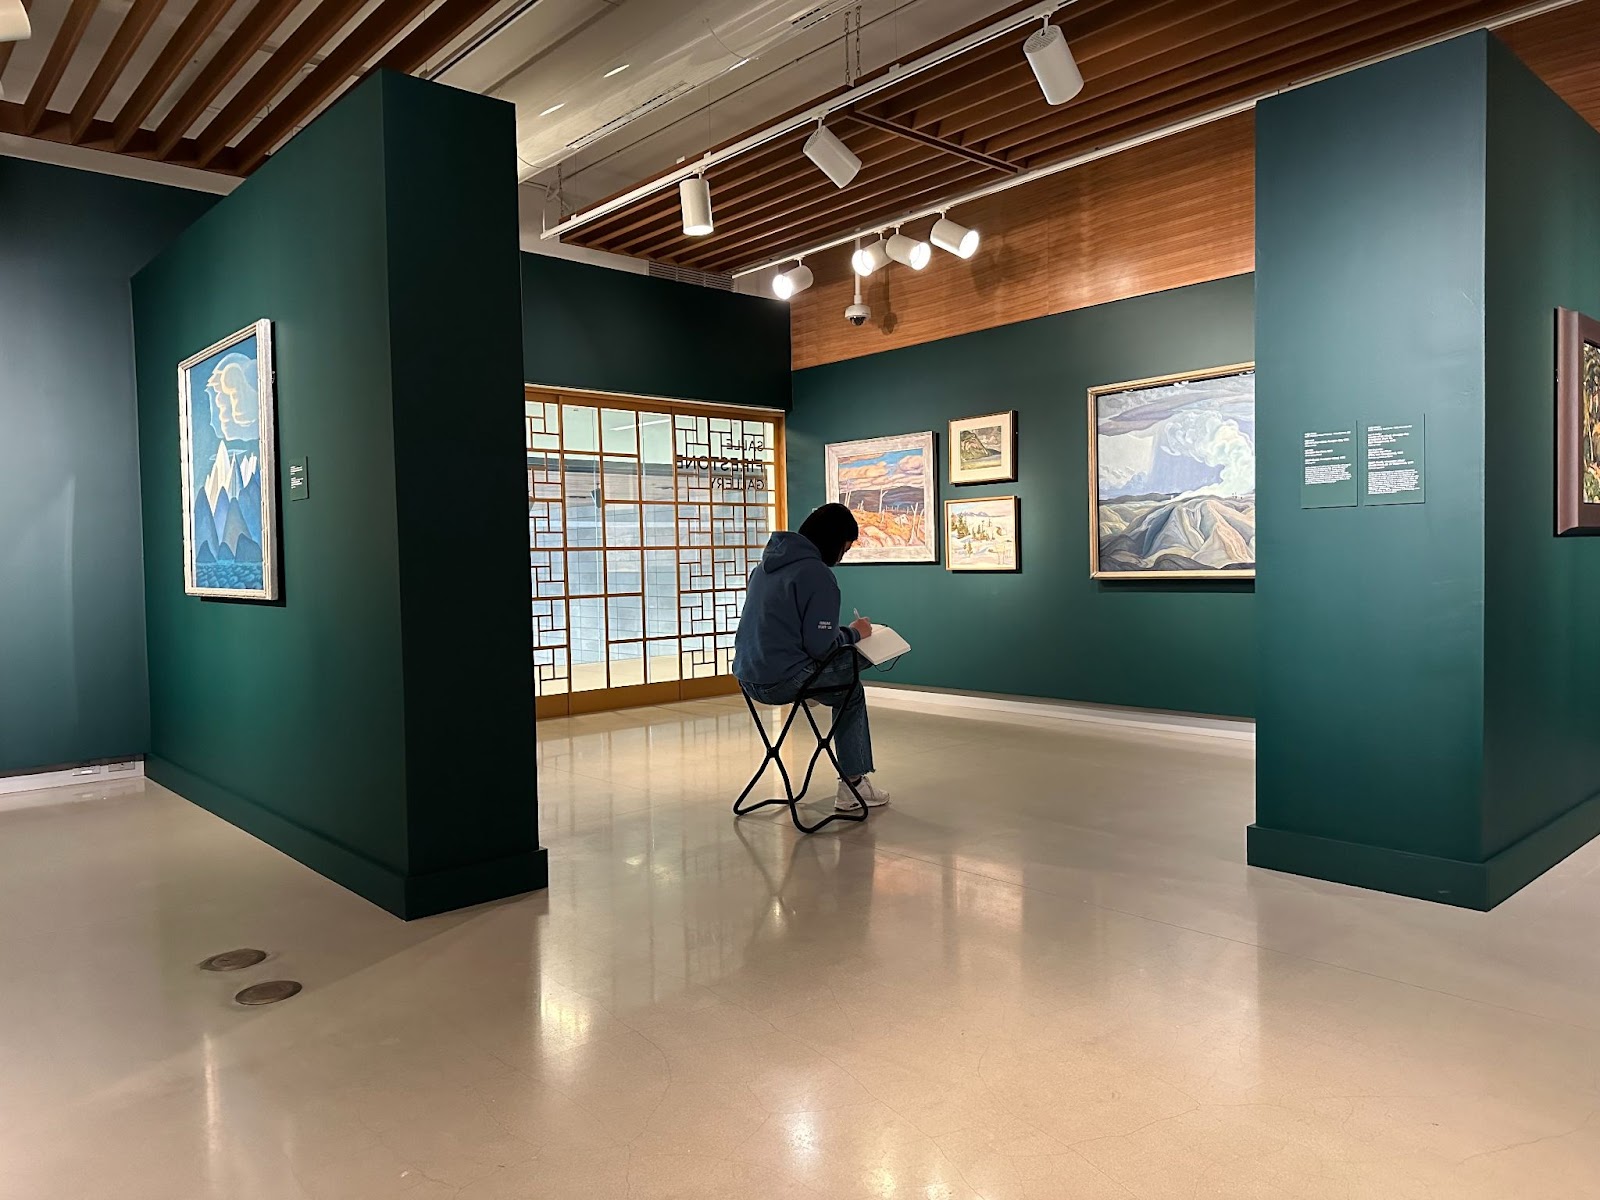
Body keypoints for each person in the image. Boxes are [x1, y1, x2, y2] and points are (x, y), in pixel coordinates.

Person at [733, 503, 889, 811]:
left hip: (748, 677)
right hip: (783, 681)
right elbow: (821, 647)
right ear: (833, 541)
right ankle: (853, 786)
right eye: (843, 551)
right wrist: (856, 633)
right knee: (851, 690)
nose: (840, 560)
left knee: (839, 679)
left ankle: (817, 695)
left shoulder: (765, 566)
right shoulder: (816, 574)